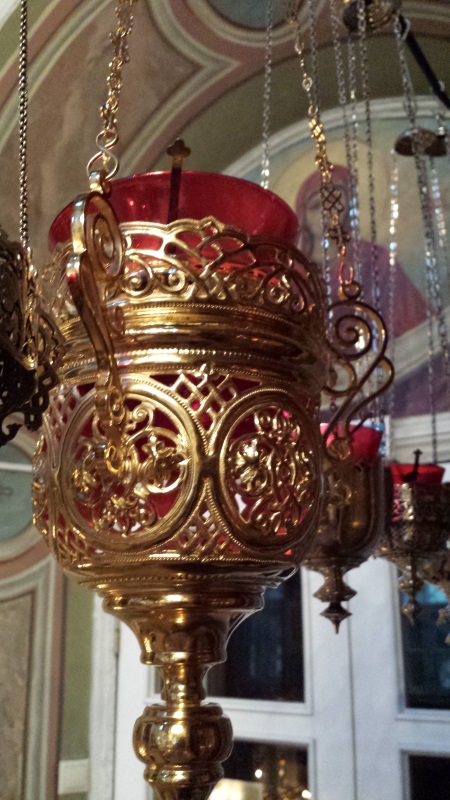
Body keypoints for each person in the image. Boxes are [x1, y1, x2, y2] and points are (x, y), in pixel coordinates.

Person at [295, 164, 427, 338]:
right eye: (315, 206)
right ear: (303, 215)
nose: (325, 212)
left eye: (333, 201)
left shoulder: (374, 258)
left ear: (347, 205)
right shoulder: (295, 274)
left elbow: (411, 318)